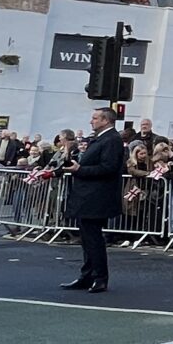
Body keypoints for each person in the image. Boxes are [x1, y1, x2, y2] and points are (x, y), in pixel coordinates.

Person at [63, 107, 124, 291]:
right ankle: (87, 275)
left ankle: (100, 277)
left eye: (95, 118)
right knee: (87, 239)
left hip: (97, 197)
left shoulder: (112, 139)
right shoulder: (100, 139)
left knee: (94, 239)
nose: (92, 121)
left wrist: (80, 170)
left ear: (105, 120)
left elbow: (109, 167)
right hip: (88, 196)